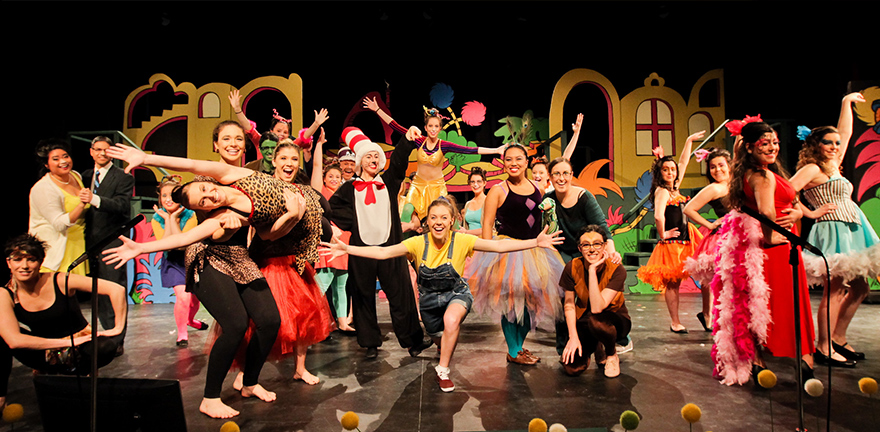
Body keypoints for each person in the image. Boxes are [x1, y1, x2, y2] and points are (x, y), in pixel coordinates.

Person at [103, 121, 310, 418]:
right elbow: (194, 233)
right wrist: (141, 247)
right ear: (215, 144)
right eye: (226, 139)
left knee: (269, 320)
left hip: (240, 256)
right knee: (236, 324)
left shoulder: (241, 175)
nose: (209, 195)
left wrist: (292, 216)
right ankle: (210, 397)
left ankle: (250, 382)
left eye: (237, 138)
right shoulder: (213, 193)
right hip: (209, 256)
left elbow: (267, 234)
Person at [322, 198, 563, 391]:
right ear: (427, 221)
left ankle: (443, 370)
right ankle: (442, 345)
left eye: (444, 218)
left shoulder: (462, 240)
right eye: (434, 217)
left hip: (457, 294)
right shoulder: (417, 243)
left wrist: (535, 242)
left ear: (452, 221)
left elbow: (499, 246)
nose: (439, 222)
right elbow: (383, 252)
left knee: (451, 321)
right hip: (428, 301)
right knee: (441, 336)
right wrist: (347, 248)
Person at [715, 121, 815, 385]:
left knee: (760, 305)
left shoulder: (754, 171)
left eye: (775, 142)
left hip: (762, 249)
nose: (772, 148)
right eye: (765, 143)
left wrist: (797, 212)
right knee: (784, 304)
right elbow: (767, 211)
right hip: (776, 248)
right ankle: (803, 359)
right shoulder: (762, 176)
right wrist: (771, 237)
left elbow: (787, 202)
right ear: (750, 147)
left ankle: (760, 360)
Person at [328, 126, 433, 359]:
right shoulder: (349, 189)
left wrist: (407, 140)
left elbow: (399, 162)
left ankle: (413, 342)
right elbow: (331, 209)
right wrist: (339, 226)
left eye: (376, 156)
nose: (373, 159)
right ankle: (370, 343)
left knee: (401, 294)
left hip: (390, 249)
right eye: (368, 156)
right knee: (363, 296)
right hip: (361, 251)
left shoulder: (388, 181)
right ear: (360, 161)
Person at [239, 137, 334, 385]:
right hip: (267, 262)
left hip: (295, 262)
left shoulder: (302, 192)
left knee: (304, 316)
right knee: (258, 321)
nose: (289, 163)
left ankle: (300, 368)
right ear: (273, 161)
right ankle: (245, 373)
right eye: (283, 158)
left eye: (294, 159)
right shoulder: (265, 187)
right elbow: (257, 230)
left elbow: (321, 207)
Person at [790, 92, 875, 366]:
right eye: (828, 142)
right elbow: (786, 191)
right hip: (832, 229)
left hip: (853, 228)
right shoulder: (812, 169)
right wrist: (810, 212)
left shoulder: (833, 166)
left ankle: (838, 338)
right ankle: (823, 347)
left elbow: (845, 133)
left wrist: (845, 103)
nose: (835, 146)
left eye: (836, 143)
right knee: (835, 291)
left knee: (860, 288)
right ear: (816, 145)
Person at [465, 144, 566, 365]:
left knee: (532, 305)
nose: (514, 163)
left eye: (519, 159)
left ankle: (517, 347)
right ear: (503, 163)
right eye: (509, 159)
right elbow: (487, 224)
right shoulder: (498, 190)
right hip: (508, 253)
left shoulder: (537, 187)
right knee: (510, 305)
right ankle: (513, 350)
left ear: (527, 162)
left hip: (535, 251)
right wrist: (488, 256)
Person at [0, 234, 126, 410]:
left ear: (40, 262)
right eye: (18, 259)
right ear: (9, 263)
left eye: (31, 259)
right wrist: (66, 343)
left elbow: (116, 289)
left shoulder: (59, 280)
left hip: (80, 348)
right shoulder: (5, 294)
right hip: (45, 350)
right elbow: (14, 340)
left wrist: (117, 328)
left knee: (105, 347)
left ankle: (80, 381)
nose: (25, 266)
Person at [363, 97, 505, 220]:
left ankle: (457, 239)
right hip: (418, 185)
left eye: (436, 126)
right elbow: (396, 126)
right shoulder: (419, 140)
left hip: (437, 186)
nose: (433, 129)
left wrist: (496, 150)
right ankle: (403, 242)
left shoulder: (444, 145)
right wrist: (377, 110)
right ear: (425, 127)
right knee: (406, 210)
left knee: (448, 214)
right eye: (430, 126)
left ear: (440, 129)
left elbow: (471, 150)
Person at [544, 156, 620, 356]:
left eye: (565, 173)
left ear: (571, 175)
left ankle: (608, 340)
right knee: (563, 297)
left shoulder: (584, 197)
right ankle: (565, 346)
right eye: (556, 174)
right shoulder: (548, 199)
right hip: (560, 253)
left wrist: (611, 252)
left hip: (586, 251)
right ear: (550, 177)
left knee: (591, 296)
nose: (561, 178)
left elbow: (602, 227)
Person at [637, 131, 705, 333]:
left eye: (672, 170)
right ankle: (675, 322)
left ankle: (707, 314)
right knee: (673, 283)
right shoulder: (662, 191)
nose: (671, 173)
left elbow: (683, 162)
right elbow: (659, 216)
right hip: (673, 243)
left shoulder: (675, 187)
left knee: (705, 271)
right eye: (666, 170)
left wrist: (688, 140)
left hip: (688, 238)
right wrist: (663, 234)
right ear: (660, 173)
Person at [81, 136, 134, 354]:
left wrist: (94, 199)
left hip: (112, 241)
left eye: (106, 150)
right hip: (88, 241)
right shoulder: (84, 176)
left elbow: (121, 205)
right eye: (98, 149)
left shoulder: (123, 177)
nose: (102, 153)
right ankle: (105, 334)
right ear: (91, 151)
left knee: (114, 288)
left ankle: (116, 339)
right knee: (98, 291)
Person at [560, 225, 631, 378]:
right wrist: (573, 337)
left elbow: (598, 307)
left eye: (597, 244)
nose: (592, 249)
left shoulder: (617, 269)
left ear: (604, 246)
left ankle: (611, 354)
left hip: (613, 319)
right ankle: (597, 346)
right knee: (573, 368)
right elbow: (569, 304)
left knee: (597, 321)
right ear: (580, 248)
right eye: (586, 245)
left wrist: (592, 271)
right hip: (585, 319)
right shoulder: (572, 267)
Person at [151, 175, 207, 348]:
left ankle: (190, 320)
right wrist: (168, 219)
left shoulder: (191, 215)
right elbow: (166, 245)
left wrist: (173, 217)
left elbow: (182, 243)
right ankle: (182, 334)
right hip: (173, 262)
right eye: (164, 196)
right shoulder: (157, 218)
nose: (168, 199)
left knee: (195, 300)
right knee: (183, 297)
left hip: (191, 259)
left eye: (172, 195)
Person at [682, 148, 732, 331]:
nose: (717, 170)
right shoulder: (714, 188)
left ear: (730, 166)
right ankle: (709, 314)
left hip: (740, 234)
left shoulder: (738, 184)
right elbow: (689, 209)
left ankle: (716, 315)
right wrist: (710, 225)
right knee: (713, 277)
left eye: (721, 165)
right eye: (712, 167)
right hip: (723, 236)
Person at [28, 139, 89, 277]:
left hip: (78, 244)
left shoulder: (75, 175)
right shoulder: (44, 188)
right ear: (46, 164)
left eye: (65, 156)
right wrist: (81, 204)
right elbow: (59, 224)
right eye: (56, 159)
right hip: (58, 247)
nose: (63, 161)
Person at [459, 168, 488, 235]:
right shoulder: (468, 204)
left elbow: (489, 229)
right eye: (472, 182)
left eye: (479, 181)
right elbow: (466, 227)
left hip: (483, 239)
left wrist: (466, 232)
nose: (475, 184)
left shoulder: (488, 201)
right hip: (469, 239)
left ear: (484, 183)